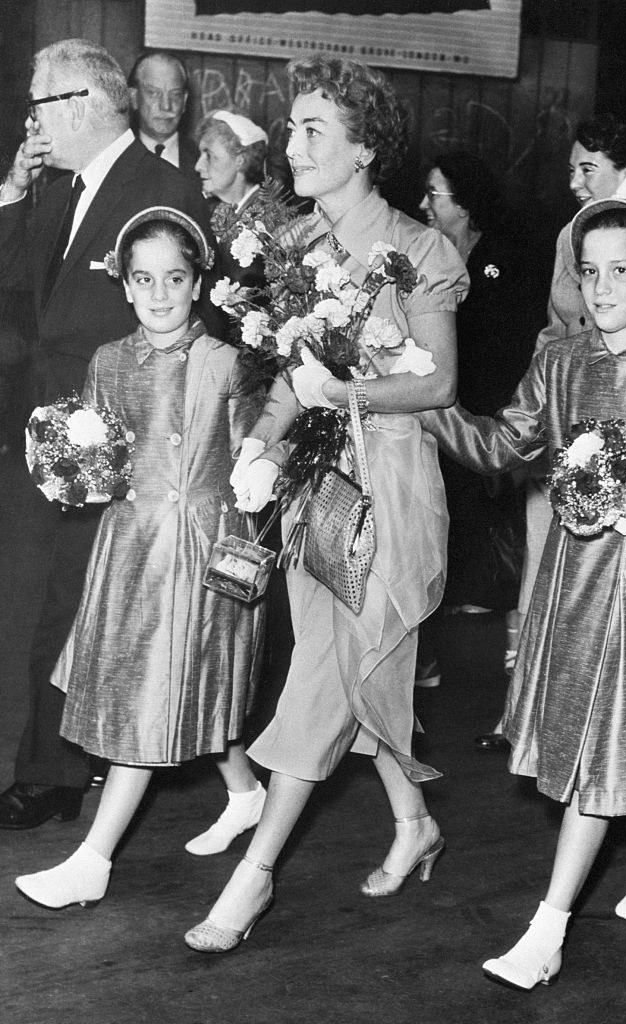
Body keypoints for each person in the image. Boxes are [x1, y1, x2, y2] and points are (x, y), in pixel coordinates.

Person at [420, 196, 626, 990]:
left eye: (620, 270)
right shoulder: (561, 361)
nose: (601, 288)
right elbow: (504, 442)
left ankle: (546, 931)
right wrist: (424, 401)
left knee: (603, 752)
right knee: (604, 745)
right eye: (589, 271)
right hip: (575, 585)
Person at [183, 54, 468, 954]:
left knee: (322, 676)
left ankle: (254, 875)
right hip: (312, 484)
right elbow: (284, 370)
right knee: (346, 656)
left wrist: (331, 397)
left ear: (364, 151)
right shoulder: (296, 244)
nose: (295, 146)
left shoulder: (419, 249)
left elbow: (441, 387)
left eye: (314, 132)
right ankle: (412, 818)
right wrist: (261, 448)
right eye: (293, 127)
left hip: (387, 485)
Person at [14, 209, 266, 908]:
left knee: (149, 697)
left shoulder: (223, 364)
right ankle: (244, 792)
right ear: (124, 285)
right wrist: (71, 469)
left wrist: (261, 464)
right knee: (173, 685)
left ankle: (92, 860)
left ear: (198, 282)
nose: (160, 295)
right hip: (128, 546)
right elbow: (100, 462)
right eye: (144, 279)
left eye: (175, 279)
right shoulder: (109, 361)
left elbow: (255, 450)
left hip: (197, 551)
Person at [0, 38, 213, 831]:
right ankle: (58, 764)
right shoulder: (59, 188)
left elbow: (191, 320)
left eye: (39, 103)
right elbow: (17, 290)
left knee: (79, 605)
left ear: (83, 105)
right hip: (52, 430)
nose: (30, 118)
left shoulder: (165, 189)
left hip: (120, 435)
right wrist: (14, 189)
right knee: (48, 598)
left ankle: (54, 772)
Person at [475, 115, 626, 752]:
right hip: (559, 403)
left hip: (622, 417)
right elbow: (559, 321)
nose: (574, 182)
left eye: (587, 169)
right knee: (543, 570)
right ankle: (527, 709)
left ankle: (601, 719)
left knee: (604, 580)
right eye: (573, 169)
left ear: (625, 169)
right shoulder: (577, 234)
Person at [416, 150, 534, 686]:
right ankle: (426, 657)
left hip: (485, 429)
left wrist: (500, 437)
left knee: (495, 554)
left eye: (434, 195)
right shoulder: (427, 256)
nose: (424, 204)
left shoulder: (502, 261)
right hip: (439, 424)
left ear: (462, 203)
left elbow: (512, 354)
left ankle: (509, 672)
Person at [195, 109, 292, 285]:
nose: (198, 166)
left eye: (209, 156)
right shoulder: (210, 209)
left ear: (240, 160)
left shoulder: (269, 221)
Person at [128, 51, 199, 180]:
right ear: (134, 97)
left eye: (175, 94)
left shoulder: (201, 162)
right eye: (154, 93)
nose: (166, 106)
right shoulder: (115, 158)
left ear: (184, 101)